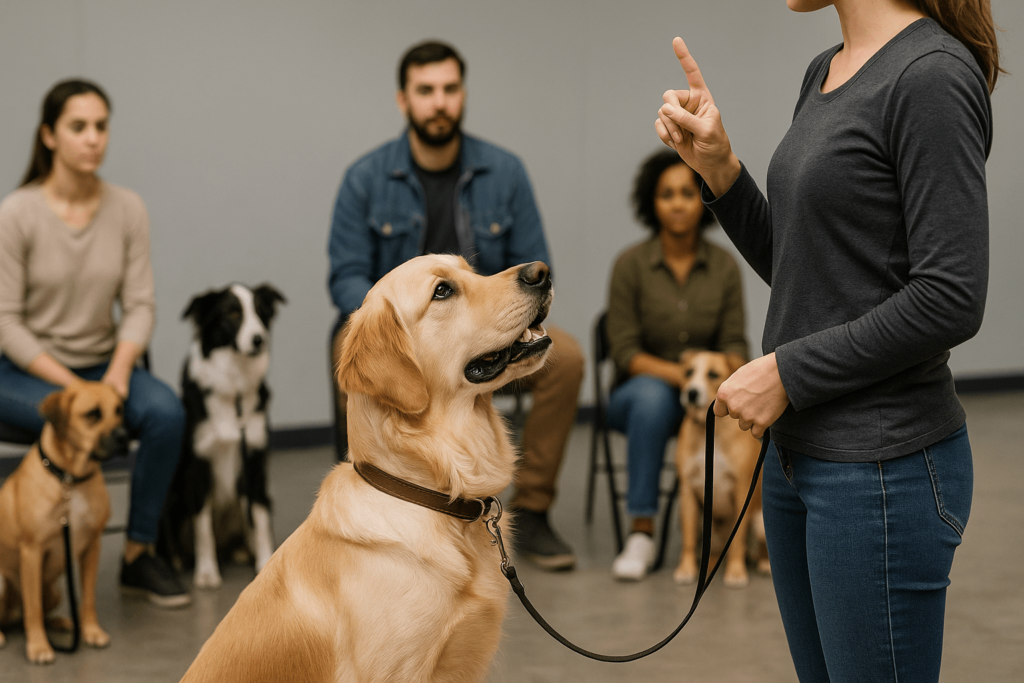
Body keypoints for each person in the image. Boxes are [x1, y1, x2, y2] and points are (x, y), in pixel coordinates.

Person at [654, 0, 999, 680]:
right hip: (797, 459)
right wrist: (720, 169)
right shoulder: (825, 71)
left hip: (881, 466)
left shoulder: (930, 75)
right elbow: (805, 270)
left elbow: (952, 295)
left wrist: (786, 371)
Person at [327, 41, 585, 571]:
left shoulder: (505, 171)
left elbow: (530, 266)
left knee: (570, 358)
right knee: (345, 345)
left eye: (449, 89)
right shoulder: (364, 179)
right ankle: (381, 493)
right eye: (426, 91)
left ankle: (531, 511)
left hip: (489, 328)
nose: (439, 102)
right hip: (406, 333)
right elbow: (346, 277)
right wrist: (402, 330)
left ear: (462, 95)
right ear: (404, 100)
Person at [0, 79, 190, 608]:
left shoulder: (127, 208)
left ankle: (137, 553)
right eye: (78, 127)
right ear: (49, 136)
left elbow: (140, 305)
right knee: (68, 420)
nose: (93, 139)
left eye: (101, 127)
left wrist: (118, 374)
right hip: (27, 371)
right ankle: (33, 546)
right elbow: (6, 322)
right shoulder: (16, 213)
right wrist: (77, 390)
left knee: (166, 414)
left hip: (107, 365)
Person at [605, 150, 748, 581]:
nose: (679, 203)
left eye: (688, 192)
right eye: (667, 194)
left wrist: (718, 379)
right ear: (652, 202)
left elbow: (735, 344)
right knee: (652, 401)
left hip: (710, 388)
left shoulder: (723, 266)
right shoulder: (629, 265)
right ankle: (642, 531)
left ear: (703, 198)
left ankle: (748, 530)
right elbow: (625, 352)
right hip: (640, 391)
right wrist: (688, 377)